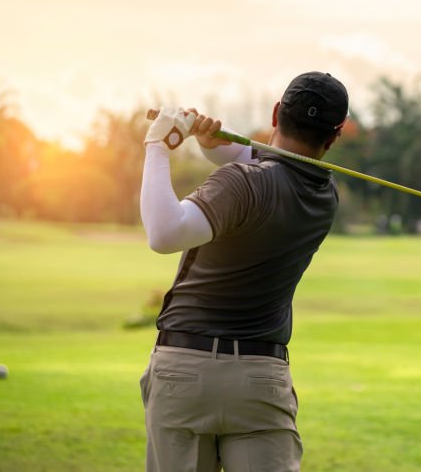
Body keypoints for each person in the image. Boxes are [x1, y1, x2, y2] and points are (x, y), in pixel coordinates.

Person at [138, 71, 348, 472]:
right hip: (261, 381)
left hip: (186, 371)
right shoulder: (325, 196)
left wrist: (157, 146)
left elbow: (164, 234)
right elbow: (266, 170)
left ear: (275, 113)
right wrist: (211, 144)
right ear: (334, 136)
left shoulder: (241, 183)